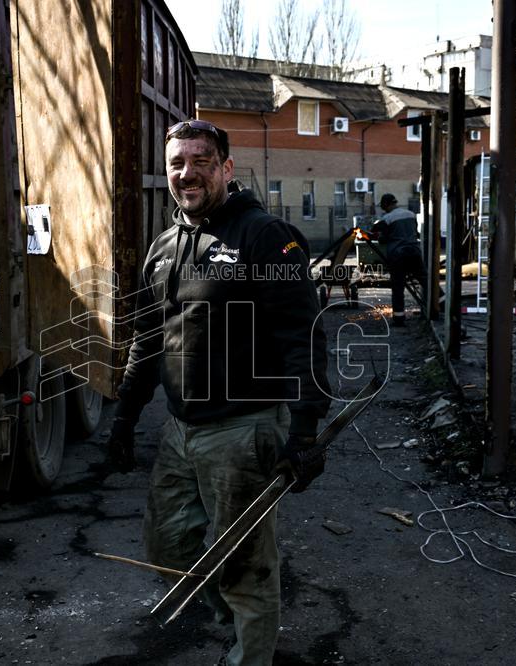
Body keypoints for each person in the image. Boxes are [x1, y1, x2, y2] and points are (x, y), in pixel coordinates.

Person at [106, 119, 331, 666]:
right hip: (181, 431)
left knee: (244, 564)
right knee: (169, 548)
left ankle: (251, 653)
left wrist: (305, 431)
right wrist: (125, 418)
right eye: (178, 162)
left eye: (202, 160)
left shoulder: (264, 237)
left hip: (244, 428)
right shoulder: (163, 247)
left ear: (226, 168)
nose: (188, 172)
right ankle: (241, 630)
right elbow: (148, 339)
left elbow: (303, 336)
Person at [372, 193, 425, 326]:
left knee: (398, 287)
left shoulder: (388, 218)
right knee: (425, 280)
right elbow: (415, 233)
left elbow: (378, 233)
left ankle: (399, 318)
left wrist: (379, 237)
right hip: (414, 252)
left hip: (398, 255)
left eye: (383, 206)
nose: (383, 208)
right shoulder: (411, 214)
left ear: (387, 204)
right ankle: (441, 305)